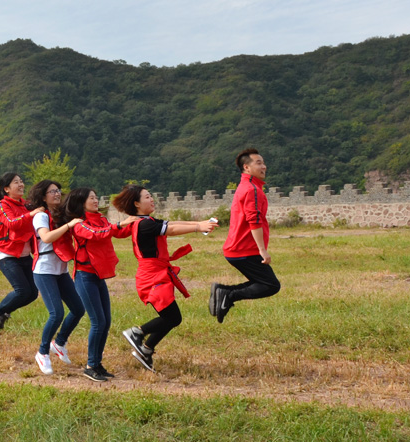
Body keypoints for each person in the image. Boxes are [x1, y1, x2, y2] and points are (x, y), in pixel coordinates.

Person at [116, 185, 218, 372]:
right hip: (152, 276)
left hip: (155, 273)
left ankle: (145, 350)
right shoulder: (145, 224)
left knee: (171, 317)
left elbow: (171, 223)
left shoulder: (146, 221)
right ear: (137, 203)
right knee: (172, 317)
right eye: (147, 197)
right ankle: (137, 333)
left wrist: (201, 222)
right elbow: (170, 229)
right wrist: (197, 227)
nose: (152, 199)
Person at [65, 187, 131, 381]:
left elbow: (115, 233)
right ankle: (90, 366)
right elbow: (98, 234)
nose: (95, 200)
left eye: (96, 196)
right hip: (85, 276)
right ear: (81, 202)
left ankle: (97, 363)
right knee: (98, 322)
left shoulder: (101, 219)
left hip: (98, 275)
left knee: (106, 321)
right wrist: (120, 224)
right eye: (91, 198)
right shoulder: (79, 223)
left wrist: (135, 222)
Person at [210, 148, 281, 323]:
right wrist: (262, 250)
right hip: (244, 250)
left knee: (260, 282)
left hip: (237, 249)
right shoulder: (252, 190)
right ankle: (227, 295)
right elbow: (254, 220)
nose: (264, 166)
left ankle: (223, 291)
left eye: (263, 163)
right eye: (258, 163)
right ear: (246, 167)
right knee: (271, 285)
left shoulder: (246, 186)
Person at [28, 180, 85, 377]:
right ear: (43, 196)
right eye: (52, 192)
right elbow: (46, 238)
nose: (57, 194)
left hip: (60, 270)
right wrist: (69, 225)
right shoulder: (41, 216)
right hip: (44, 270)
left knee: (78, 309)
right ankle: (42, 352)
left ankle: (59, 343)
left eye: (59, 191)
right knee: (56, 313)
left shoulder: (61, 215)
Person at [0, 172, 45, 330]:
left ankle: (1, 311)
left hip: (24, 255)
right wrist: (31, 214)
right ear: (7, 189)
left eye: (21, 181)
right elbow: (12, 223)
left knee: (32, 293)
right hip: (7, 255)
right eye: (16, 182)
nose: (21, 184)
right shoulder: (1, 205)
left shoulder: (25, 204)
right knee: (22, 290)